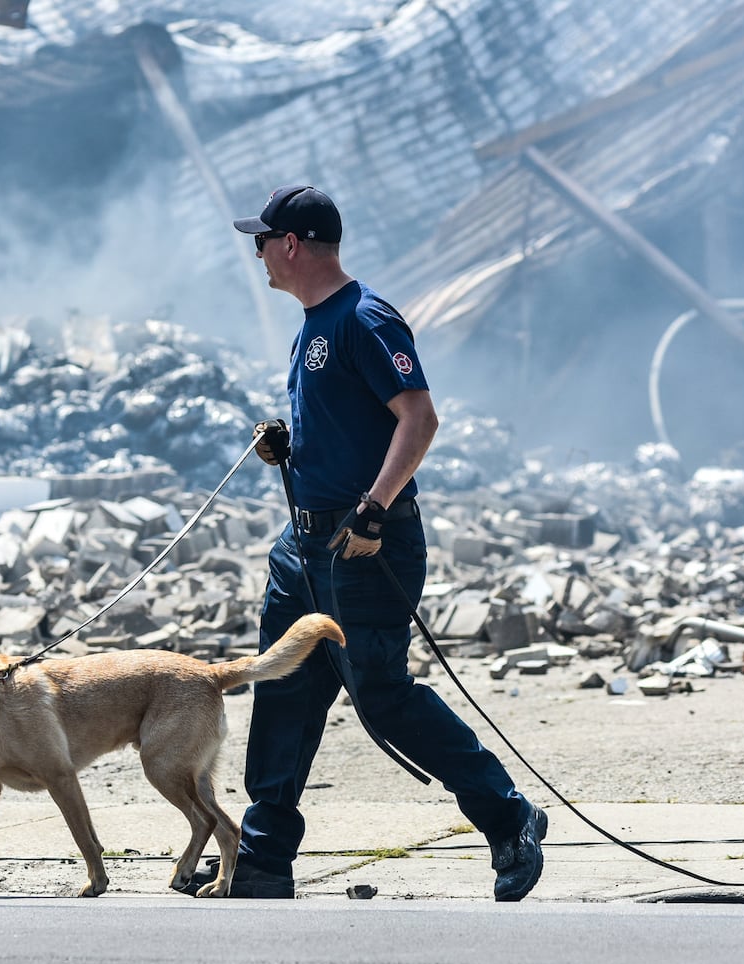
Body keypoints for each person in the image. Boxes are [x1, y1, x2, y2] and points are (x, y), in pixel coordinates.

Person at [184, 185, 546, 901]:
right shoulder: (312, 325)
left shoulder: (365, 318)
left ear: (291, 243)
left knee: (380, 695)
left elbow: (418, 417)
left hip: (364, 547)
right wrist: (289, 447)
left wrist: (375, 510)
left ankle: (509, 820)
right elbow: (352, 425)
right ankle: (260, 862)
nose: (254, 252)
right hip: (304, 549)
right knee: (283, 689)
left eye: (261, 240)